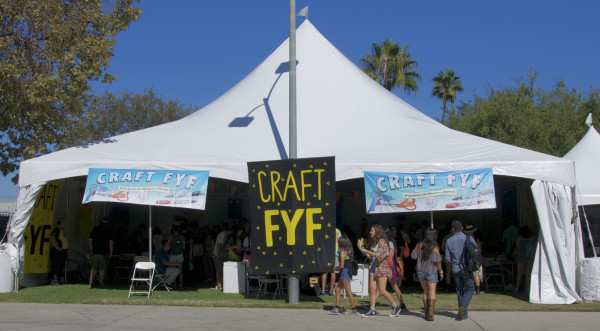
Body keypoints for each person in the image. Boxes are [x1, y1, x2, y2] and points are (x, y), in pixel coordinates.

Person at [358, 224, 399, 317]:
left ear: (377, 231)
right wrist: (364, 251)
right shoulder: (375, 242)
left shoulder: (382, 241)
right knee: (372, 289)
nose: (370, 232)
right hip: (374, 266)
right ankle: (372, 309)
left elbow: (379, 256)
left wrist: (367, 251)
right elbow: (372, 256)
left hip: (382, 267)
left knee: (382, 290)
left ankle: (395, 306)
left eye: (372, 231)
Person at [445, 220, 477, 321]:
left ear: (452, 229)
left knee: (460, 290)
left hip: (455, 268)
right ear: (462, 228)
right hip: (467, 268)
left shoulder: (449, 240)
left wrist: (448, 272)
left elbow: (447, 258)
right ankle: (463, 307)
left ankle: (463, 312)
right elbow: (476, 251)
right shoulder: (469, 238)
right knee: (470, 288)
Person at [411, 228, 443, 321]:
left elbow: (413, 256)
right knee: (432, 293)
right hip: (432, 271)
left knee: (426, 291)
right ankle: (430, 313)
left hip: (421, 271)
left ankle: (426, 311)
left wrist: (417, 248)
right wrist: (441, 271)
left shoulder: (420, 245)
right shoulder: (435, 247)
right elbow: (438, 261)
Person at [329, 235, 358, 315]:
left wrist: (335, 268)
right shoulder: (349, 251)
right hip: (347, 272)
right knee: (337, 289)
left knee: (348, 291)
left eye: (338, 241)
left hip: (344, 272)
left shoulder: (342, 252)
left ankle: (354, 308)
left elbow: (342, 265)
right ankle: (337, 307)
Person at [88, 216, 114, 288]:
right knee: (102, 268)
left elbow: (90, 240)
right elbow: (111, 243)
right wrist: (111, 253)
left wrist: (92, 249)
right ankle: (101, 282)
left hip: (95, 252)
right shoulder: (109, 230)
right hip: (104, 253)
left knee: (94, 268)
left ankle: (91, 282)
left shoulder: (95, 229)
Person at [514, 226, 536, 293]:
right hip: (530, 256)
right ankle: (528, 288)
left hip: (521, 255)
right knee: (528, 273)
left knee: (519, 273)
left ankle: (517, 288)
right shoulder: (533, 237)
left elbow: (517, 246)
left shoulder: (519, 238)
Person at [321, 228, 341, 295]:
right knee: (333, 272)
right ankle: (331, 290)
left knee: (325, 272)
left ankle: (323, 290)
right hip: (335, 253)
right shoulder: (337, 231)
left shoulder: (324, 229)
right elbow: (340, 242)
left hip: (326, 253)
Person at [465, 224, 483, 294]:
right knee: (476, 274)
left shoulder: (465, 239)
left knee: (468, 273)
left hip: (467, 257)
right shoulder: (476, 240)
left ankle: (469, 288)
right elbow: (480, 250)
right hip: (476, 257)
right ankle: (477, 290)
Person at [49, 217, 68, 286]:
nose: (65, 224)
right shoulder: (56, 230)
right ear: (61, 223)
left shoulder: (61, 230)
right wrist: (57, 247)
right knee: (56, 265)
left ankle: (58, 278)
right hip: (57, 251)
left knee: (60, 265)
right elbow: (52, 238)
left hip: (62, 251)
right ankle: (54, 280)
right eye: (64, 223)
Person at [211, 222, 230, 290]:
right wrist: (218, 257)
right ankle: (219, 284)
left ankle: (221, 283)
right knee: (218, 270)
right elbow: (219, 245)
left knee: (222, 270)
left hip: (221, 255)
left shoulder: (225, 234)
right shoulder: (224, 234)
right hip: (217, 255)